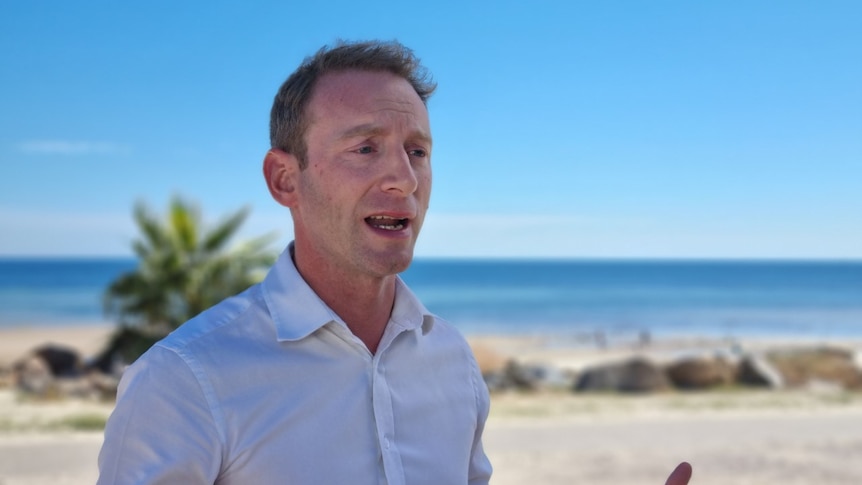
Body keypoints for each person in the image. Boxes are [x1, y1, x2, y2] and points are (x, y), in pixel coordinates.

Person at [97, 40, 691, 485]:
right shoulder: (184, 380)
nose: (404, 180)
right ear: (285, 178)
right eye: (365, 149)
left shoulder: (451, 361)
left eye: (417, 152)